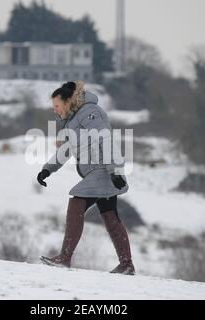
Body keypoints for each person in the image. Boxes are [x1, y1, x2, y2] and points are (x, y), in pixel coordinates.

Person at [36, 80, 135, 275]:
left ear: (67, 102)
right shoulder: (73, 121)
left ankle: (65, 257)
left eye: (57, 106)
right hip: (100, 172)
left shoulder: (90, 112)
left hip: (103, 170)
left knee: (77, 202)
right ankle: (126, 265)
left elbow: (104, 138)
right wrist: (47, 169)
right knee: (110, 215)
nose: (55, 110)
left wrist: (114, 171)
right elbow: (66, 149)